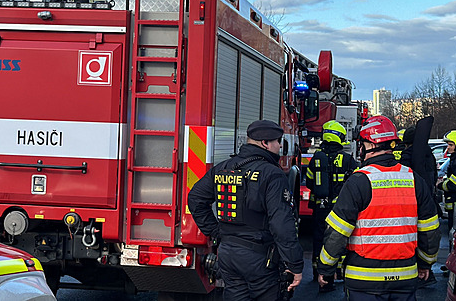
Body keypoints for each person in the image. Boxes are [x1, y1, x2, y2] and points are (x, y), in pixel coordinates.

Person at [317, 115, 441, 301]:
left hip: (363, 280)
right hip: (405, 277)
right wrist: (426, 263)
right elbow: (430, 230)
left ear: (369, 145)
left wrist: (326, 269)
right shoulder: (414, 180)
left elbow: (337, 232)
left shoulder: (358, 181)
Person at [188, 120, 303, 301]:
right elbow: (281, 225)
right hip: (260, 258)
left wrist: (216, 232)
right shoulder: (272, 174)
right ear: (265, 143)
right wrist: (294, 264)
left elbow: (195, 199)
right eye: (277, 141)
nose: (280, 146)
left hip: (227, 255)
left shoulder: (224, 167)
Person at [305, 120, 357, 291]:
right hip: (340, 209)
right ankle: (336, 273)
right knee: (337, 239)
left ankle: (316, 272)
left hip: (320, 208)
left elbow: (311, 183)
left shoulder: (316, 159)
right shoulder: (348, 160)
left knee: (319, 239)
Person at [399, 124, 439, 288]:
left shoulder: (408, 156)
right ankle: (427, 270)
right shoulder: (428, 155)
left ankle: (419, 272)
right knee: (427, 236)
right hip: (428, 199)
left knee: (413, 237)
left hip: (412, 202)